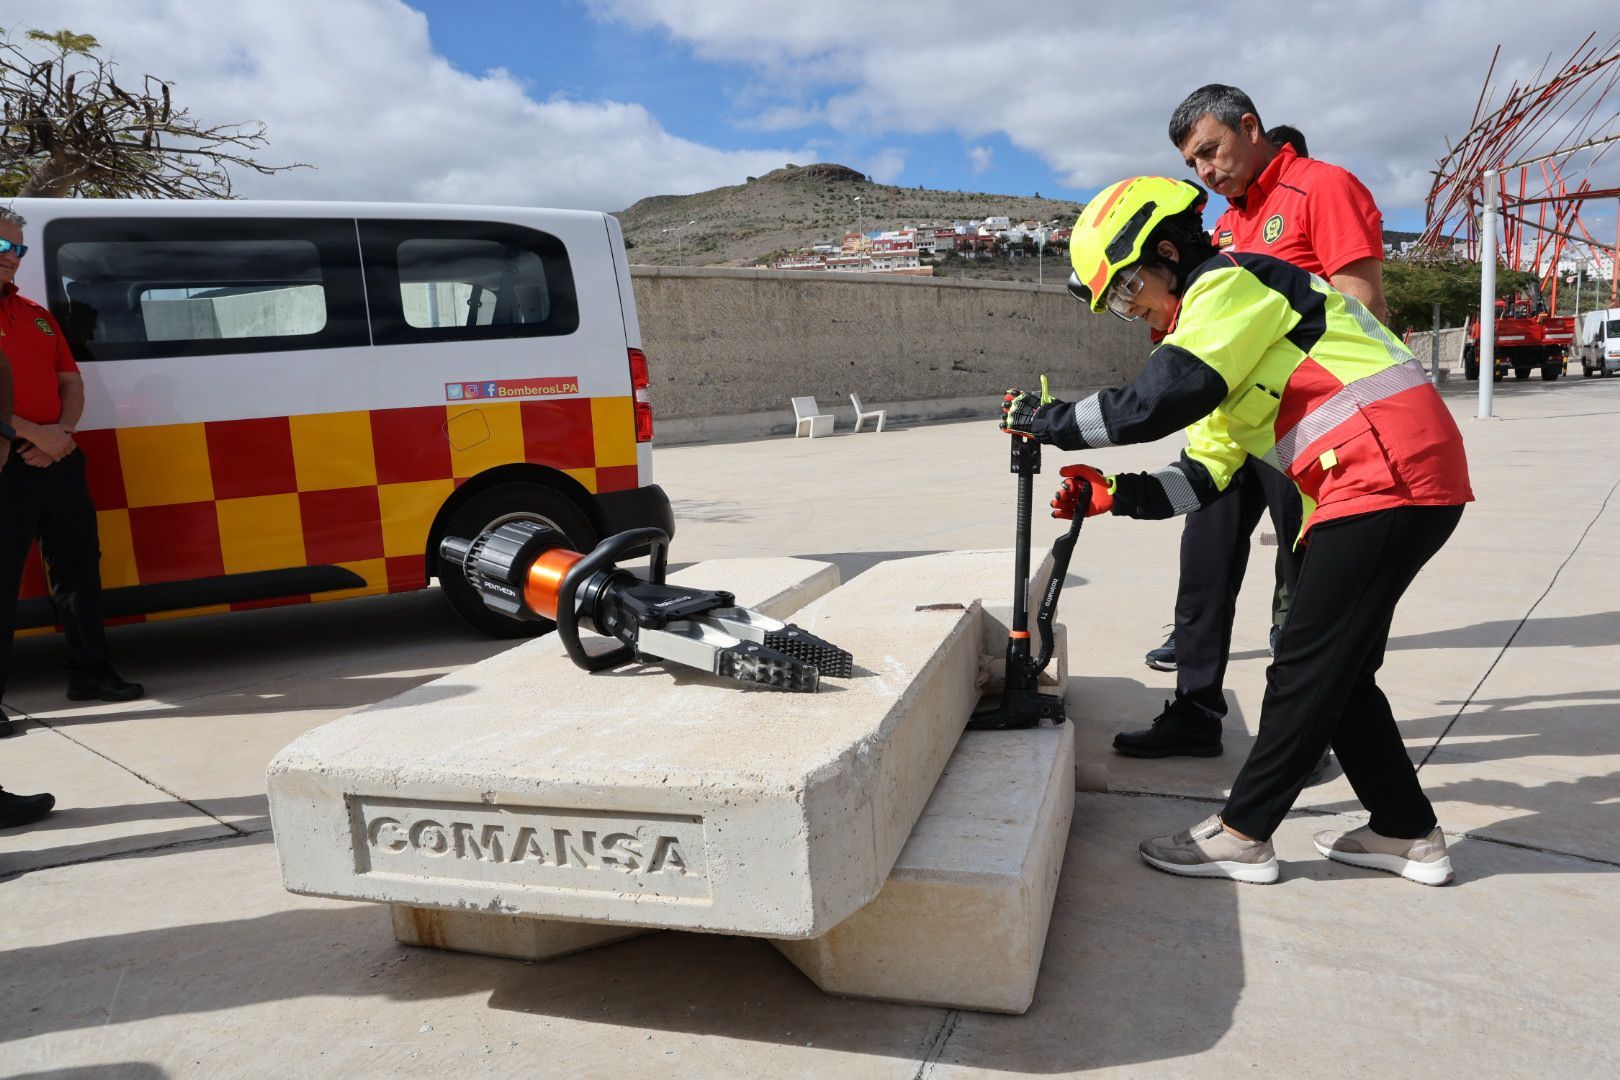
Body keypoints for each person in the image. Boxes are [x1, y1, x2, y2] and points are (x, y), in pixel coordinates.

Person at [1002, 175, 1471, 884]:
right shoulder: (1226, 351)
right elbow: (1200, 477)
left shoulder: (1230, 283)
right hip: (1378, 478)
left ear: (1167, 251)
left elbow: (1152, 402)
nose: (1138, 312)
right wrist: (1111, 497)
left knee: (1304, 667)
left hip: (1384, 471)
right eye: (1124, 308)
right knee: (1340, 673)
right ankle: (1405, 830)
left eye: (1130, 291)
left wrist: (1053, 422)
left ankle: (1244, 833)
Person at [1119, 86, 1389, 767]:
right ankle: (1195, 710)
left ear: (1250, 125)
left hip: (1302, 422)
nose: (1207, 171)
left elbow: (1362, 305)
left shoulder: (1320, 189)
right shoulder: (1226, 226)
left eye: (1212, 150)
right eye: (1194, 161)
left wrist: (1351, 420)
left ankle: (1304, 733)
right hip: (1232, 426)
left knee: (1305, 583)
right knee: (1203, 566)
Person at [0, 206, 142, 727]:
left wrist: (61, 435)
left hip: (58, 456)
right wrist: (32, 433)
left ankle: (90, 674)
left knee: (80, 567)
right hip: (6, 462)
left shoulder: (35, 311)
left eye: (18, 249)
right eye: (2, 247)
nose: (12, 258)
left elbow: (71, 381)